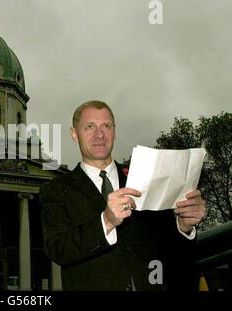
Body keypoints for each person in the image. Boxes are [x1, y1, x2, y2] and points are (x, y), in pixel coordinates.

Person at [40, 100, 206, 291]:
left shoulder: (145, 178)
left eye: (106, 126)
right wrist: (107, 221)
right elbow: (57, 250)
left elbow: (169, 250)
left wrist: (184, 225)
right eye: (89, 127)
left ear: (114, 132)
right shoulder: (55, 190)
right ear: (74, 134)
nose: (99, 134)